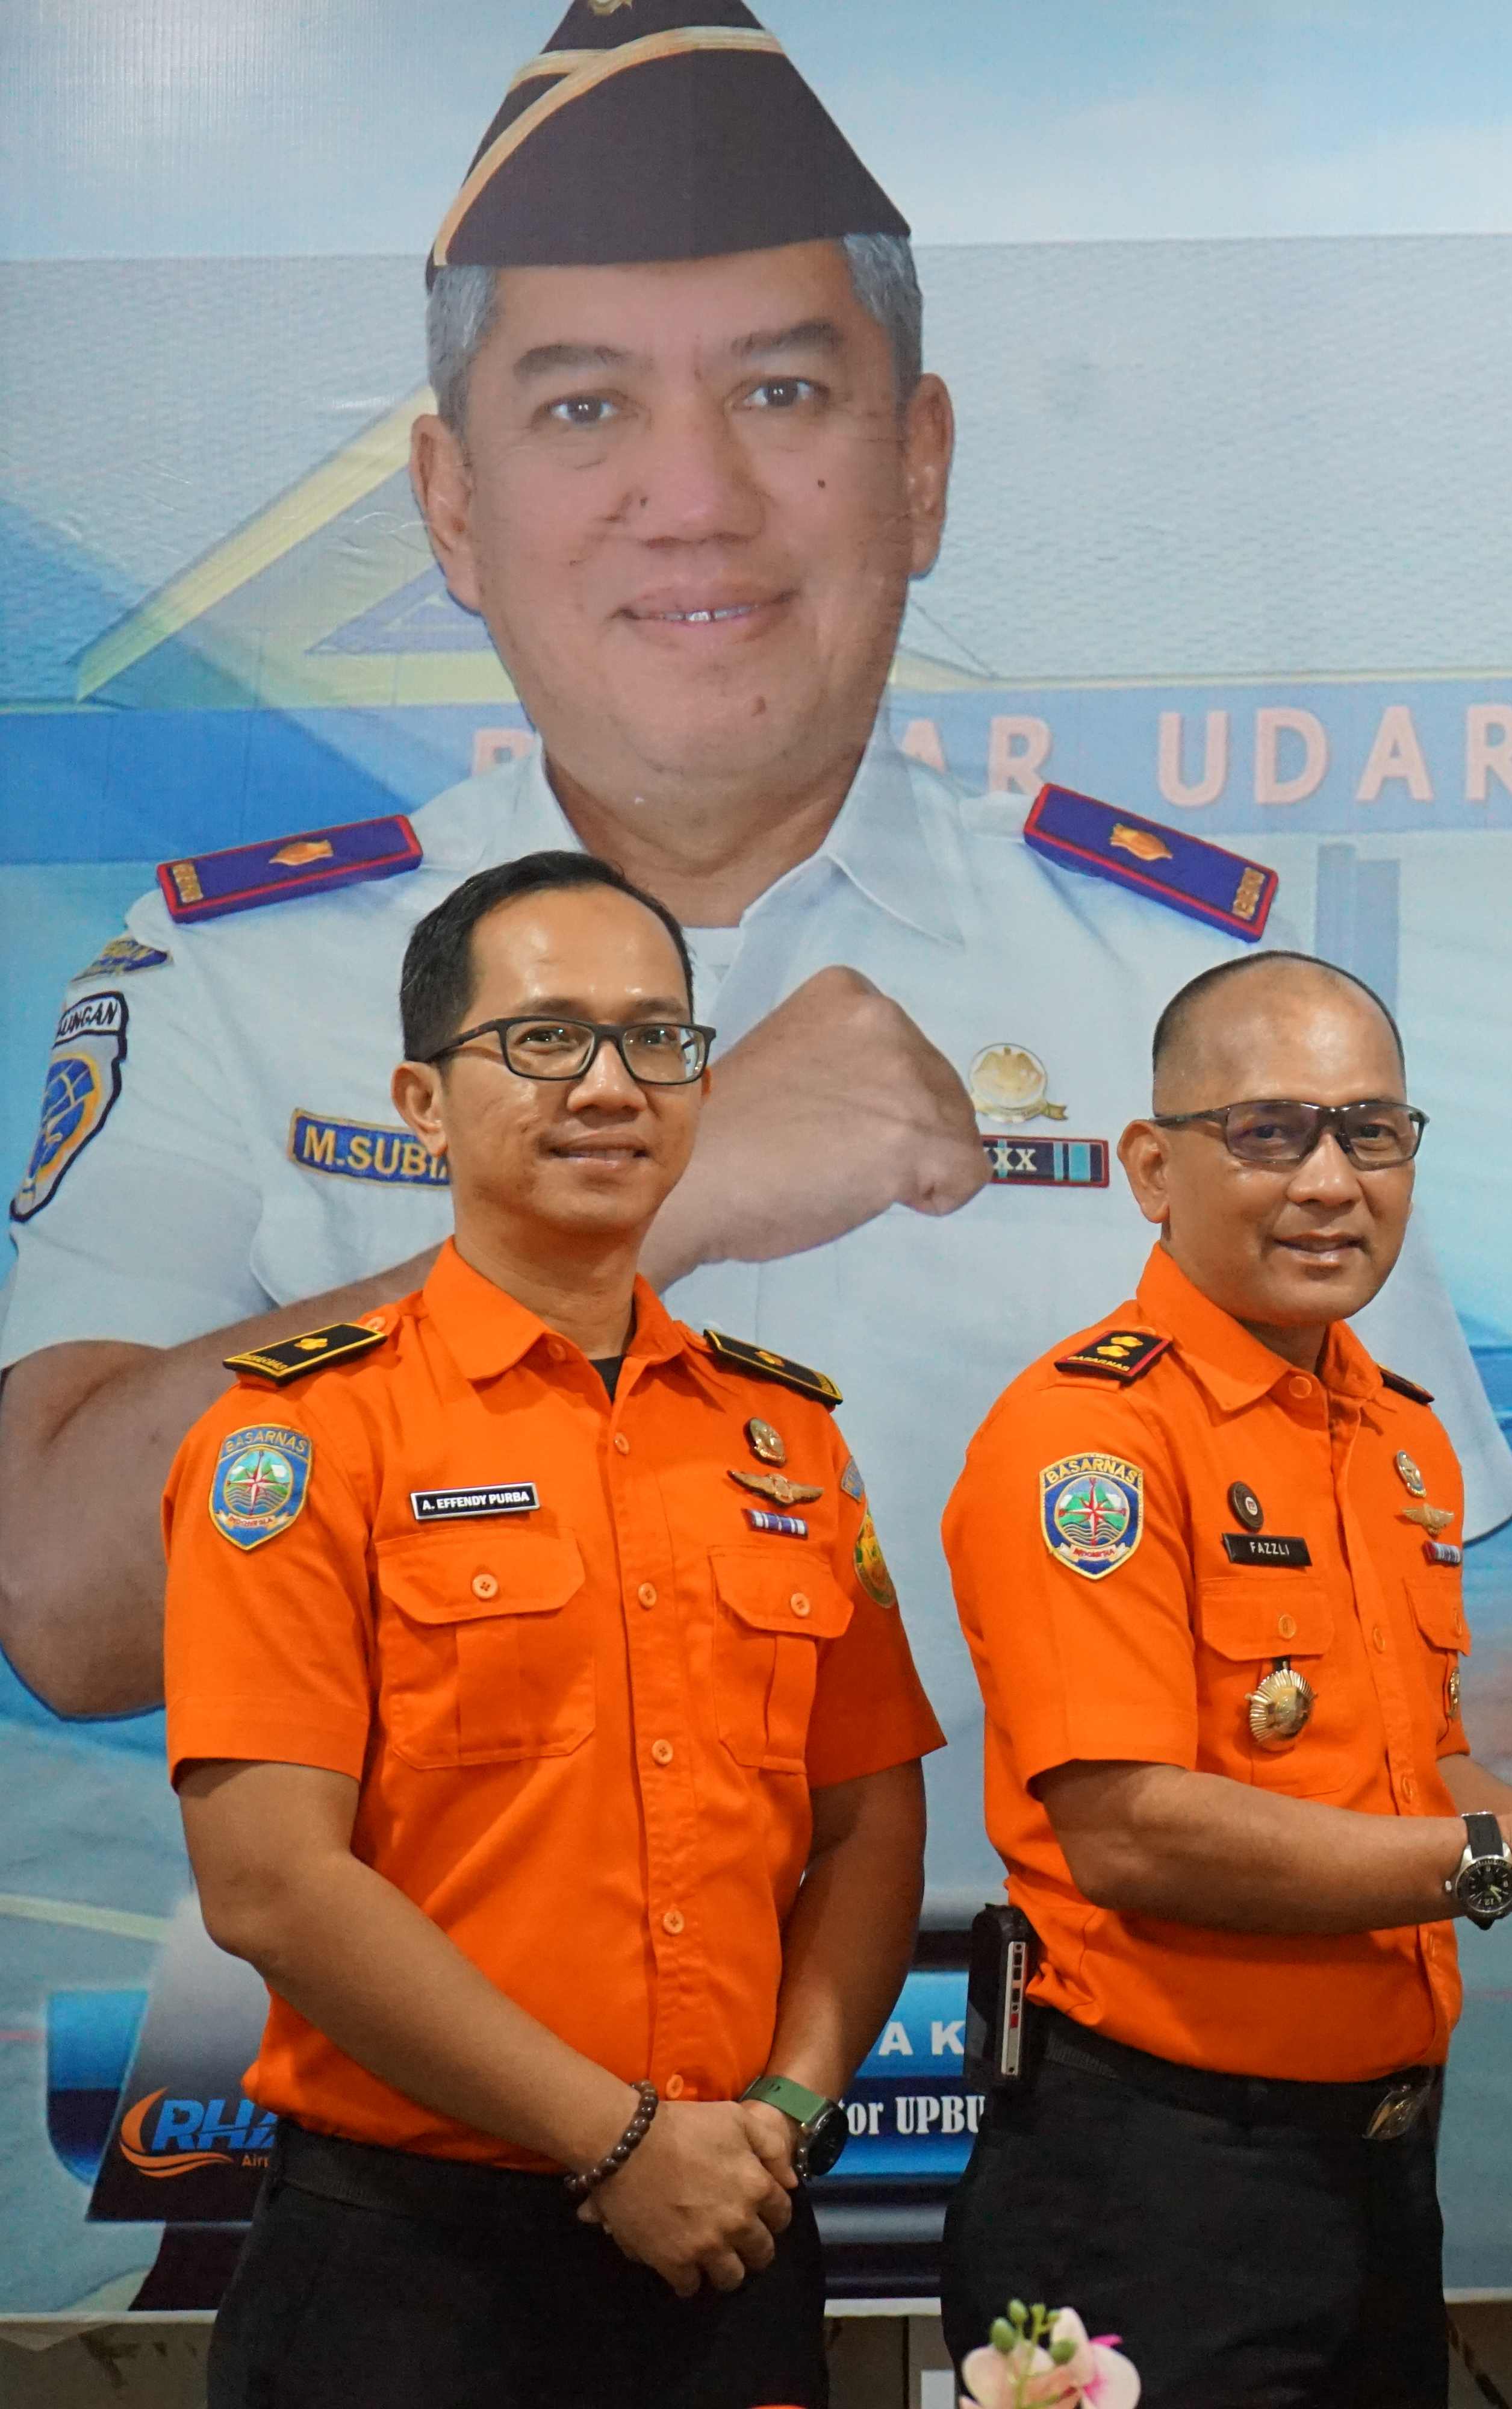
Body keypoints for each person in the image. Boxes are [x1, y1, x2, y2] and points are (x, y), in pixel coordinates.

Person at [0, 0, 1512, 1841]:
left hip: (1083, 2089)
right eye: (584, 407)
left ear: (924, 464)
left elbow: (1393, 1624)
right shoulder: (233, 985)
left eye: (783, 394)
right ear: (453, 505)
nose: (697, 501)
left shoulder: (1196, 990)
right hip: (459, 2100)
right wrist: (655, 1207)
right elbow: (69, 1613)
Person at [166, 849, 939, 2409]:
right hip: (406, 2272)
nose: (610, 1083)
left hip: (734, 2231)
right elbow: (271, 1884)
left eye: (658, 1038)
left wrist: (782, 2110)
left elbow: (867, 1823)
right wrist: (615, 2137)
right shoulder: (302, 1439)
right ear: (423, 1098)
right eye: (544, 1038)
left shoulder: (782, 1443)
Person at [937, 952, 1512, 2409]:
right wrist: (1508, 1856)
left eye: (1372, 1131)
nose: (1330, 1178)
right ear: (1149, 1166)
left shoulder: (1396, 1438)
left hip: (1373, 2163)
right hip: (1149, 2175)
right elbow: (1128, 1827)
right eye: (1270, 1131)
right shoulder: (1091, 1445)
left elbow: (1417, 1769)